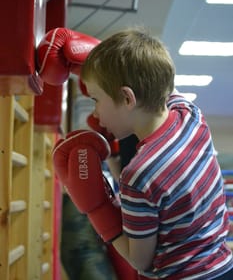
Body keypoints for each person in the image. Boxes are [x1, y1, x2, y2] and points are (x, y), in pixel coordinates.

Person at [53, 27, 233, 279]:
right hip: (223, 266)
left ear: (127, 98)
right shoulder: (191, 116)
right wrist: (106, 64)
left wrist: (97, 207)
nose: (94, 114)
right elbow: (163, 82)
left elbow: (140, 260)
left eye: (95, 99)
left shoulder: (140, 174)